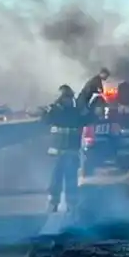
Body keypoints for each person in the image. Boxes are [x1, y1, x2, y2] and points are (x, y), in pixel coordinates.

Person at [43, 84, 91, 212]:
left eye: (70, 98)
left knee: (71, 179)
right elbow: (45, 120)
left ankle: (71, 204)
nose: (68, 100)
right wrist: (49, 110)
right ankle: (54, 203)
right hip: (57, 153)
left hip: (71, 152)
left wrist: (90, 112)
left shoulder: (76, 112)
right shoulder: (54, 111)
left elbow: (88, 120)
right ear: (60, 99)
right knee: (55, 179)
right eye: (66, 98)